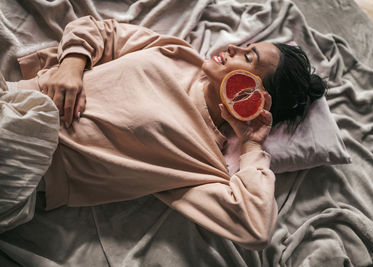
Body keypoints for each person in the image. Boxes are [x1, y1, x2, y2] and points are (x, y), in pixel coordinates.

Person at [15, 16, 325, 250]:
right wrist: (71, 64)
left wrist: (251, 144)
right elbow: (99, 29)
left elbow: (255, 229)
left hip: (27, 160)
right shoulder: (177, 52)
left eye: (247, 57)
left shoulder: (201, 161)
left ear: (253, 92)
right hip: (16, 98)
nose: (234, 47)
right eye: (246, 47)